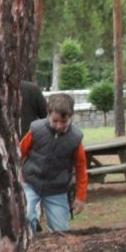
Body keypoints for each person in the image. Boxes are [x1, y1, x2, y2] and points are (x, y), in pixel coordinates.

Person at [20, 93, 88, 232]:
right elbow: (19, 153)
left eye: (63, 121)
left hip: (57, 189)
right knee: (25, 215)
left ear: (71, 116)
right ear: (48, 114)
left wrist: (80, 197)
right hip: (31, 182)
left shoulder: (75, 139)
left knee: (61, 230)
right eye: (55, 120)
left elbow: (81, 169)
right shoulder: (36, 130)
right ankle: (33, 235)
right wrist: (16, 176)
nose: (59, 125)